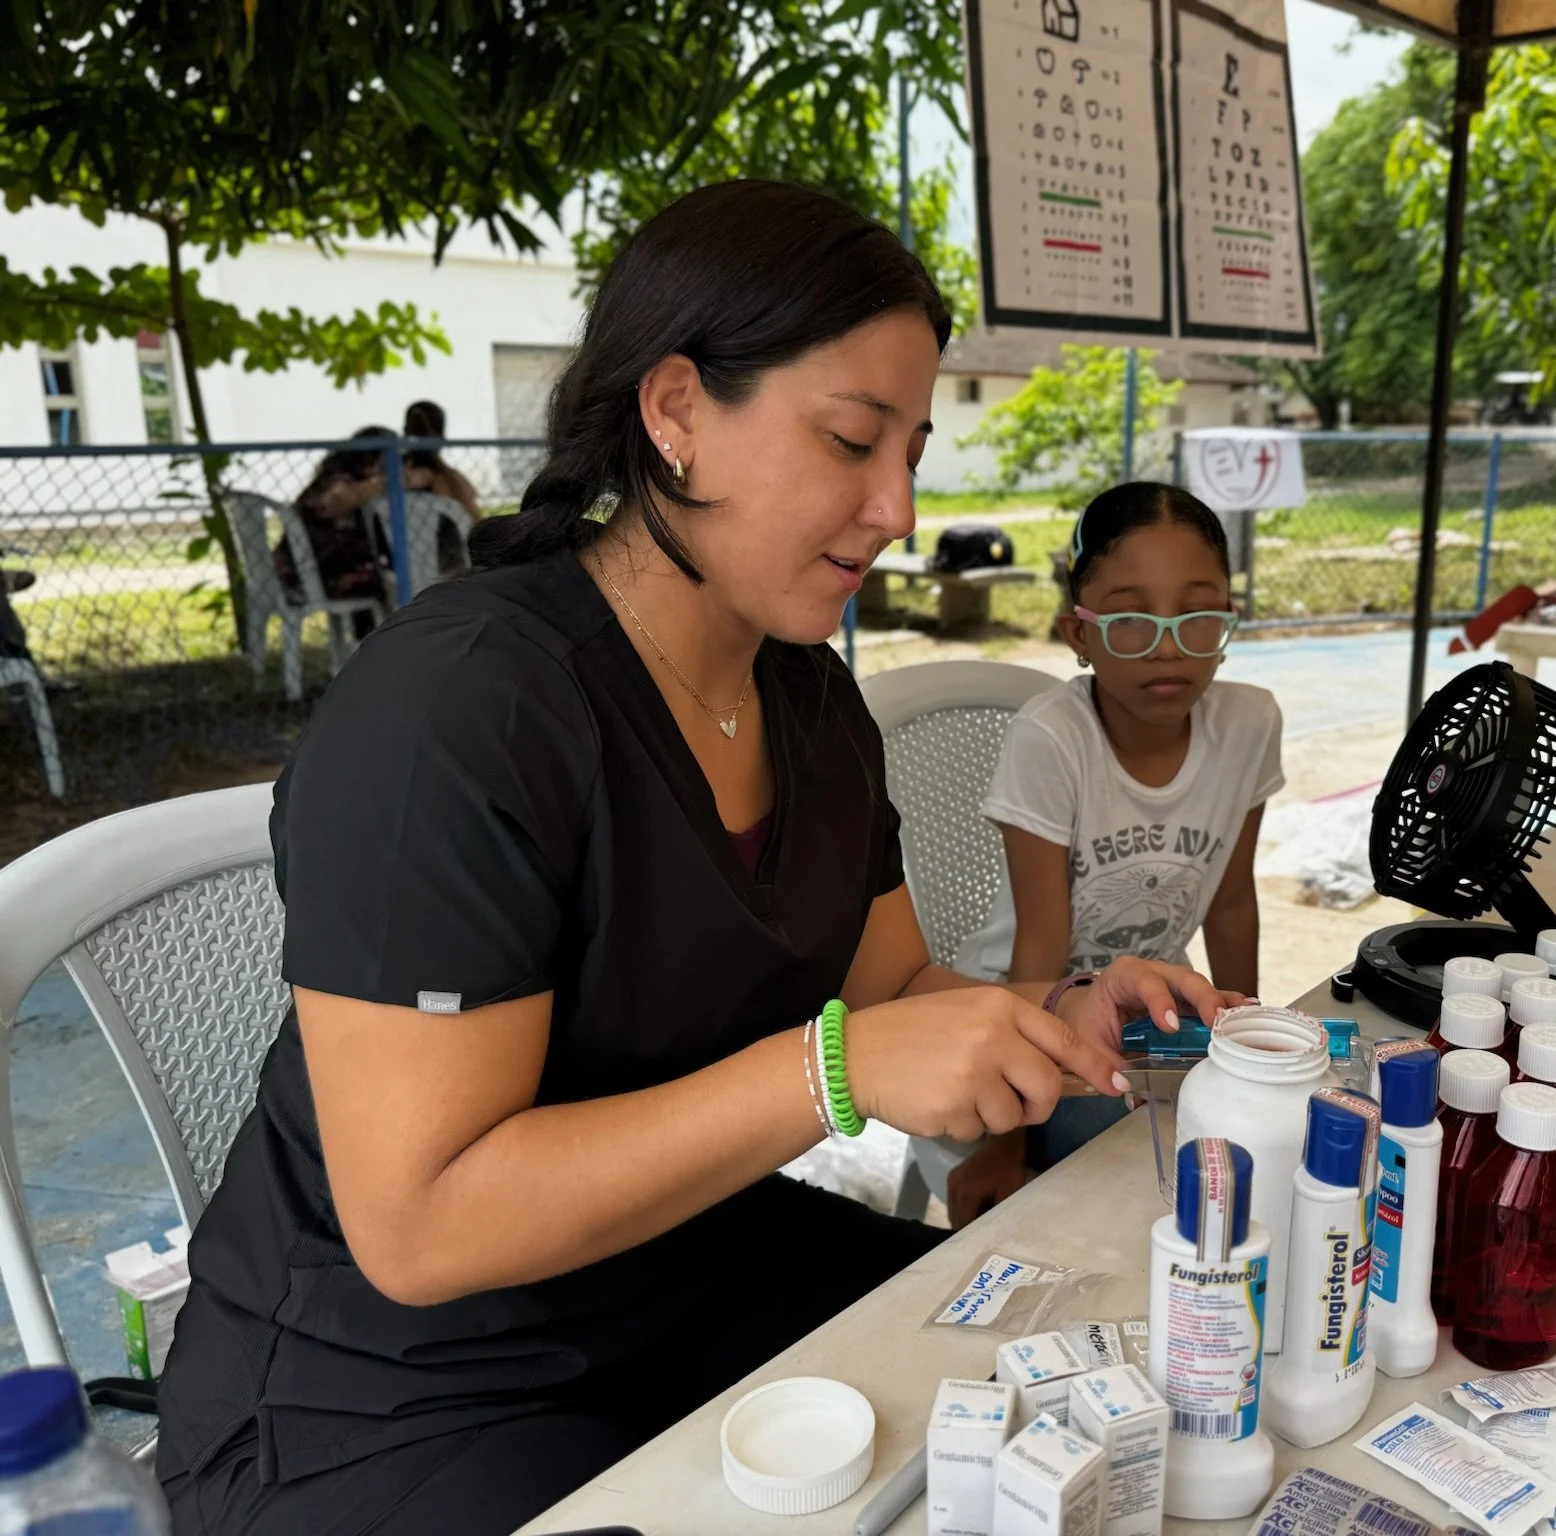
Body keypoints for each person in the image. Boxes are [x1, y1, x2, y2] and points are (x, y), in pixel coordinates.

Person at [154, 181, 1233, 1536]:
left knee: (1054, 1409)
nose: (897, 507)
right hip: (386, 1391)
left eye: (912, 448)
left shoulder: (810, 703)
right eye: (851, 440)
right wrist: (830, 1073)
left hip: (686, 1274)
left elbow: (894, 991)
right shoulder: (461, 714)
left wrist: (1051, 1021)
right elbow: (420, 1225)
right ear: (673, 417)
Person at [945, 482, 1283, 1222]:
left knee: (1281, 1125)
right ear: (1078, 633)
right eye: (1130, 619)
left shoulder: (1249, 723)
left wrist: (1249, 1045)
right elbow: (1040, 953)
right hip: (1020, 1015)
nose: (1168, 646)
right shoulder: (1053, 740)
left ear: (1230, 617)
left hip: (1154, 1014)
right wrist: (1005, 1139)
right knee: (1151, 1162)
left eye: (1199, 616)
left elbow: (1230, 904)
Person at [273, 427, 391, 632]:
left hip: (306, 569)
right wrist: (384, 483)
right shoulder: (341, 483)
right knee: (383, 581)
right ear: (371, 459)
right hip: (313, 573)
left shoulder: (334, 480)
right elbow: (330, 505)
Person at [401, 399, 482, 576]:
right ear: (442, 436)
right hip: (449, 570)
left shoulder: (388, 479)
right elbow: (475, 523)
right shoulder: (453, 482)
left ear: (405, 432)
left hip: (399, 570)